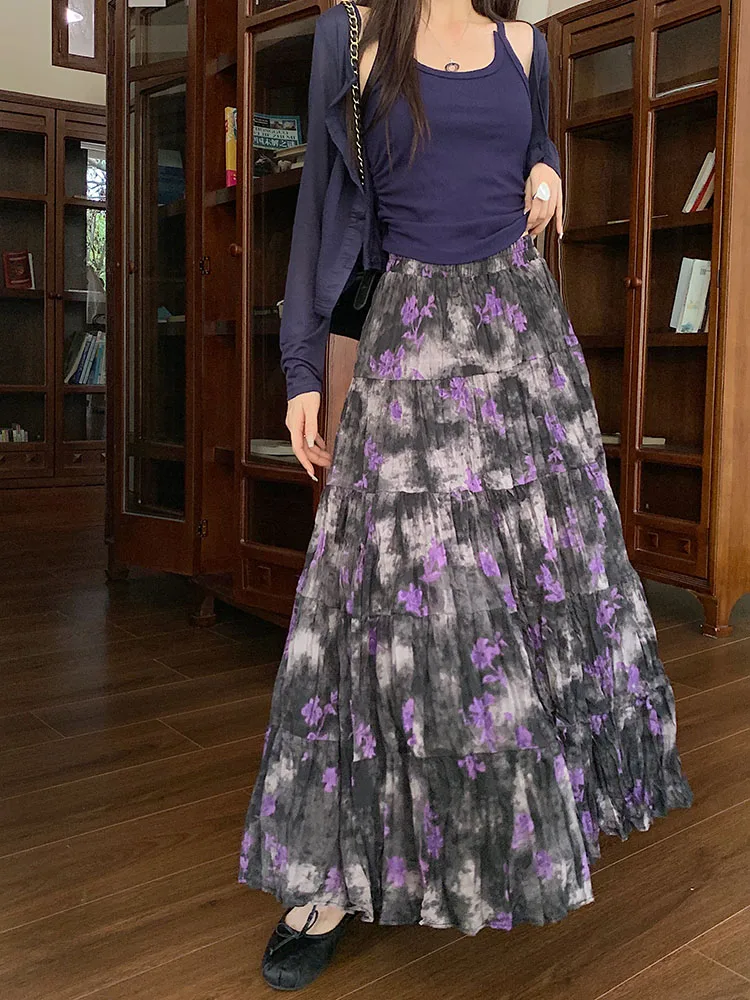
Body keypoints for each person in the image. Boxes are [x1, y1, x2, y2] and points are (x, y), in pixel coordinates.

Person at [238, 0, 694, 991]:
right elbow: (320, 204)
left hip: (521, 339)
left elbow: (530, 147)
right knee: (385, 606)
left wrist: (548, 166)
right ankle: (330, 878)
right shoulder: (352, 37)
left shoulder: (527, 46)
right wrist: (302, 366)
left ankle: (517, 826)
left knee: (528, 595)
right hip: (409, 339)